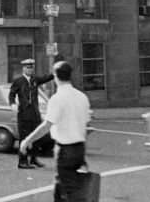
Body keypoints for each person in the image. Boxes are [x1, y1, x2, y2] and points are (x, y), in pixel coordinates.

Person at [19, 60, 92, 202]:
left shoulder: (57, 99)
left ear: (55, 76)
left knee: (70, 192)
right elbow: (86, 125)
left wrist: (28, 140)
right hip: (79, 148)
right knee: (61, 188)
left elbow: (47, 125)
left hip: (65, 150)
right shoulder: (82, 97)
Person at [8, 57, 54, 169]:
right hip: (23, 114)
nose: (30, 70)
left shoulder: (35, 80)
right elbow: (11, 94)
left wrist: (55, 72)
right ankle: (22, 161)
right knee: (24, 138)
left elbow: (46, 78)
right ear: (23, 69)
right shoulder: (18, 81)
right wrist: (13, 103)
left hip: (34, 113)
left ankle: (34, 159)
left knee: (36, 137)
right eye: (28, 68)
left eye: (31, 68)